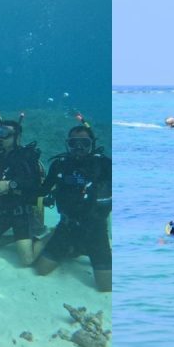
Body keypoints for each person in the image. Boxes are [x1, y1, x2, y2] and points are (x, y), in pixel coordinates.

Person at [34, 125, 112, 291]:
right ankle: (70, 246)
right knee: (41, 270)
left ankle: (80, 248)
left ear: (92, 144)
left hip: (96, 230)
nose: (79, 147)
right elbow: (41, 190)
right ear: (67, 144)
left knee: (105, 286)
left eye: (84, 143)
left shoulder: (104, 165)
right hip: (66, 226)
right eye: (73, 143)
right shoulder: (59, 165)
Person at [0, 121, 43, 266]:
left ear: (17, 136)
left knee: (27, 261)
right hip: (0, 212)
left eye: (5, 133)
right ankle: (14, 238)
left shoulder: (27, 156)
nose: (1, 137)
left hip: (20, 214)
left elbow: (34, 184)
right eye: (0, 132)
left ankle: (44, 239)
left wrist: (9, 184)